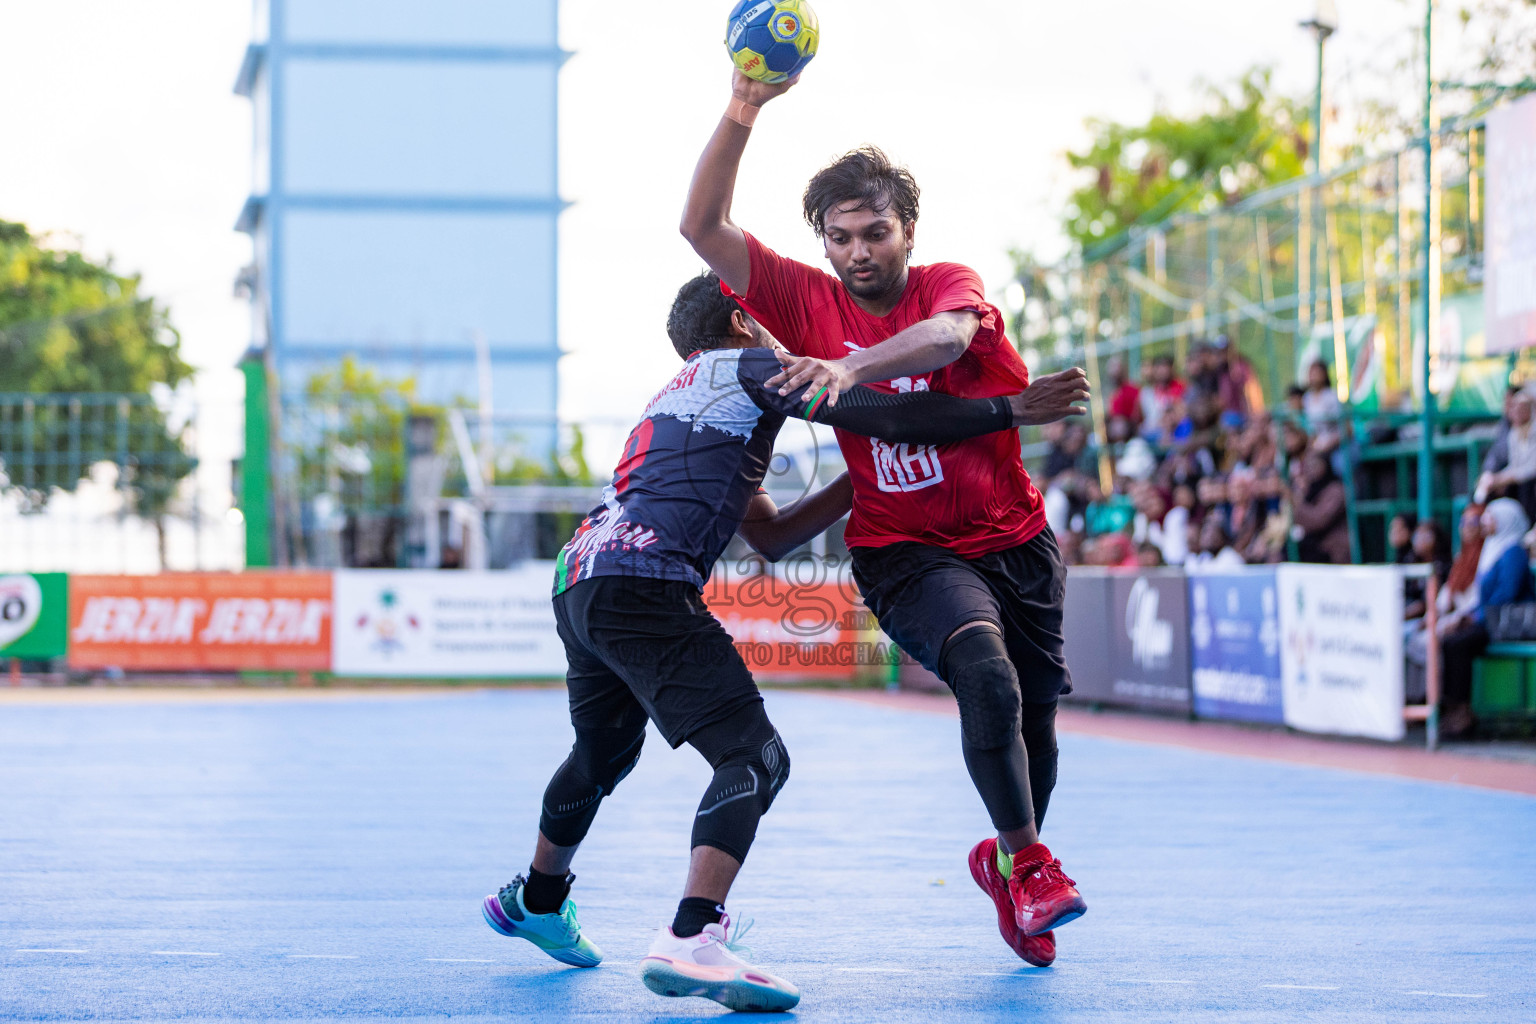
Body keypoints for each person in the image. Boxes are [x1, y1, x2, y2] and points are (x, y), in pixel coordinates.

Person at [483, 273, 1085, 1011]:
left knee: (602, 752)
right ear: (745, 320)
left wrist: (862, 482)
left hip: (581, 576)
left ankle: (538, 899)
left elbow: (769, 535)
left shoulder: (682, 395)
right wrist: (1009, 411)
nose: (799, 338)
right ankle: (691, 936)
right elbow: (889, 419)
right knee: (755, 757)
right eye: (775, 319)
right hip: (644, 580)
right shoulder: (758, 366)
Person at [681, 70, 1090, 968]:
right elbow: (701, 227)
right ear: (821, 243)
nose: (859, 252)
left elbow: (946, 343)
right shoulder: (798, 297)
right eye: (841, 238)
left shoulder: (950, 284)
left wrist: (850, 370)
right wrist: (744, 107)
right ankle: (1030, 861)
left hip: (1015, 540)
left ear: (908, 231)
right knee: (986, 674)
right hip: (905, 550)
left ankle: (1010, 858)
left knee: (1038, 725)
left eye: (875, 233)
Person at [1437, 499, 1535, 737]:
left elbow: (1506, 594)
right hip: (1489, 620)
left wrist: (1475, 617)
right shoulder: (1492, 549)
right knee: (1449, 640)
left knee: (1459, 643)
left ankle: (1463, 713)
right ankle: (1452, 707)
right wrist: (1469, 616)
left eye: (1491, 516)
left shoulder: (1513, 551)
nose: (1484, 521)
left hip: (1506, 623)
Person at [1474, 389, 1536, 519]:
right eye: (1515, 407)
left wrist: (1505, 478)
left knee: (1527, 485)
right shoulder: (1513, 433)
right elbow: (1515, 465)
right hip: (1519, 479)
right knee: (1488, 487)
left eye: (1522, 407)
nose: (1516, 411)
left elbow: (1531, 468)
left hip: (1530, 483)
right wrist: (1497, 479)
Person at [1291, 448, 1350, 563]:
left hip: (1334, 549)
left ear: (1325, 465)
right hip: (1315, 546)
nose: (1310, 470)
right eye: (1308, 466)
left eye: (1314, 465)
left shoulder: (1337, 489)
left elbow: (1319, 520)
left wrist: (1295, 501)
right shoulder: (1310, 490)